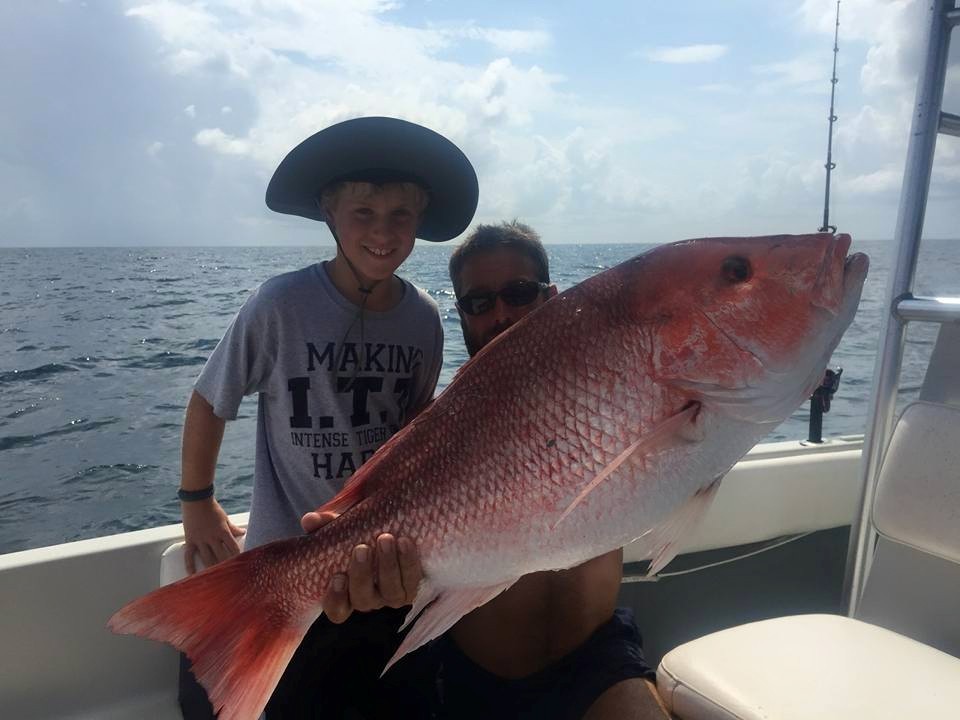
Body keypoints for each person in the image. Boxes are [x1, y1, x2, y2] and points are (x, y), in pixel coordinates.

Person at [175, 116, 479, 719]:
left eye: (401, 216)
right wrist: (197, 502)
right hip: (285, 565)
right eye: (363, 213)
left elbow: (416, 438)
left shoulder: (423, 321)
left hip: (387, 567)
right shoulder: (280, 304)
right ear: (329, 214)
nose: (383, 233)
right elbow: (212, 401)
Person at [307, 221, 669, 719]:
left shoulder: (616, 394)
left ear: (553, 297)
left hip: (599, 660)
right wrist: (375, 577)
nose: (501, 313)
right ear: (461, 318)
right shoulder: (435, 436)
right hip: (473, 682)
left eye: (519, 293)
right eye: (479, 303)